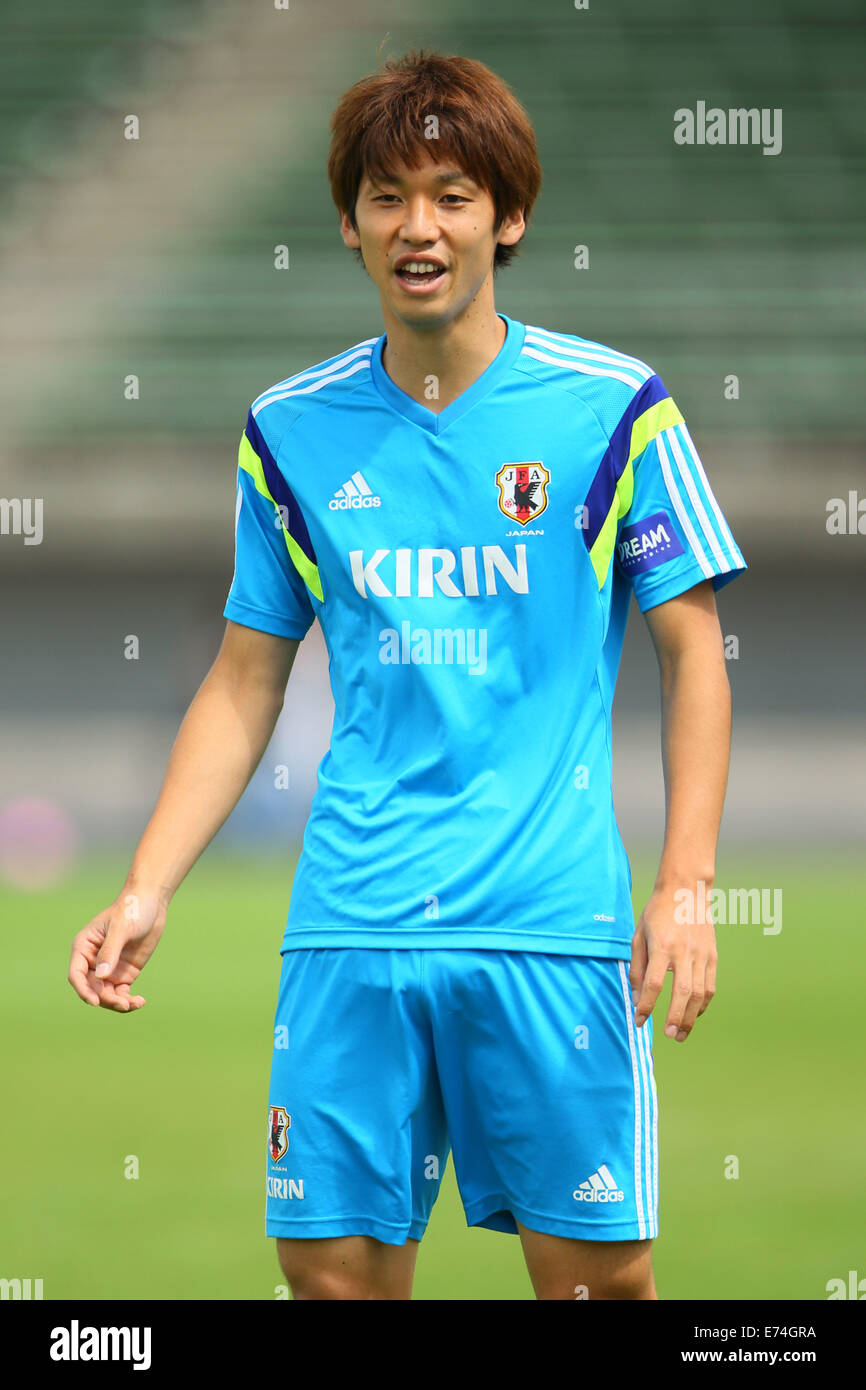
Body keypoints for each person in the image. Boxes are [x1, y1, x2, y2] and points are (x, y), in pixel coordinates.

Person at [68, 49, 747, 1301]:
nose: (416, 225)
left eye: (449, 193)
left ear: (508, 214)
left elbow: (691, 649)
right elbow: (240, 682)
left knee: (597, 1285)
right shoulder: (289, 428)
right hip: (352, 919)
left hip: (548, 925)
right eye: (386, 196)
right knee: (329, 1276)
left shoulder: (615, 410)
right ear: (347, 221)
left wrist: (690, 883)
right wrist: (147, 883)